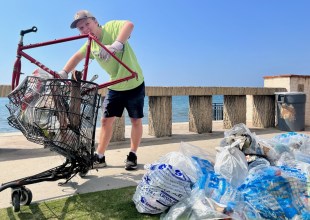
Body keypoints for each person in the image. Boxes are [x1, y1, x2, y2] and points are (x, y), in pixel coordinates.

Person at [58, 10, 145, 170]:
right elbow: (77, 57)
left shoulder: (111, 28)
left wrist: (116, 45)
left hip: (134, 82)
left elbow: (129, 25)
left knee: (135, 120)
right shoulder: (90, 44)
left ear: (95, 21)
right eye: (81, 28)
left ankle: (132, 154)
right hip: (115, 85)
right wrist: (63, 72)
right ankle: (100, 156)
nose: (85, 29)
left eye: (87, 24)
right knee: (105, 121)